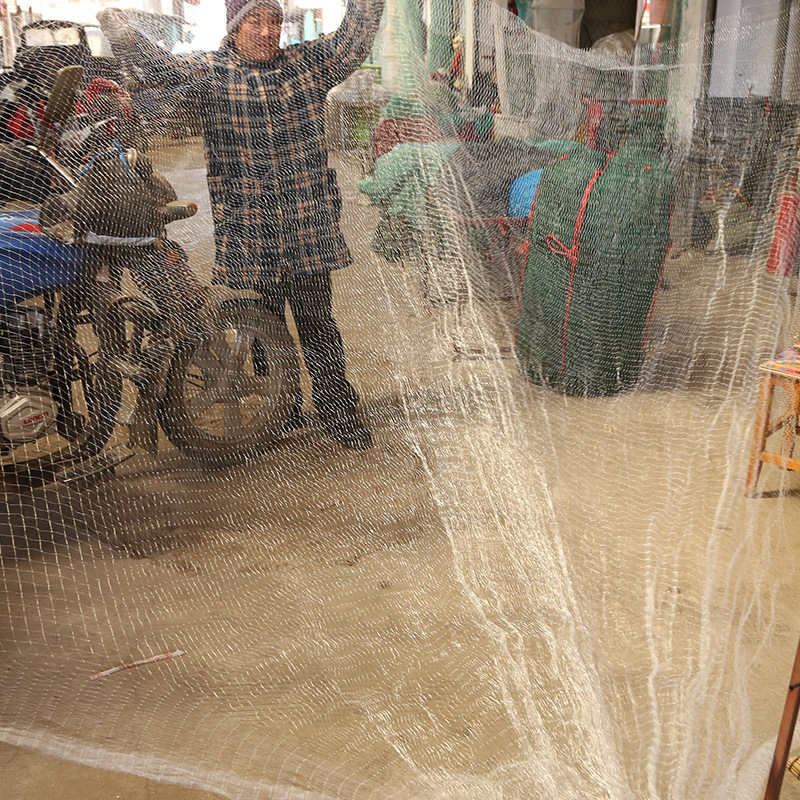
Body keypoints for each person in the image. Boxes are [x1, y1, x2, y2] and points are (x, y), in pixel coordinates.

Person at [98, 0, 383, 451]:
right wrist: (127, 38)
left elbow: (353, 41)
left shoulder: (306, 64)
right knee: (263, 324)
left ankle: (337, 409)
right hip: (252, 224)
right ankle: (283, 406)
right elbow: (161, 70)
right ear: (234, 27)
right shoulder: (211, 71)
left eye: (274, 21)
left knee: (316, 320)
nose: (267, 31)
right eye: (256, 20)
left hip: (306, 220)